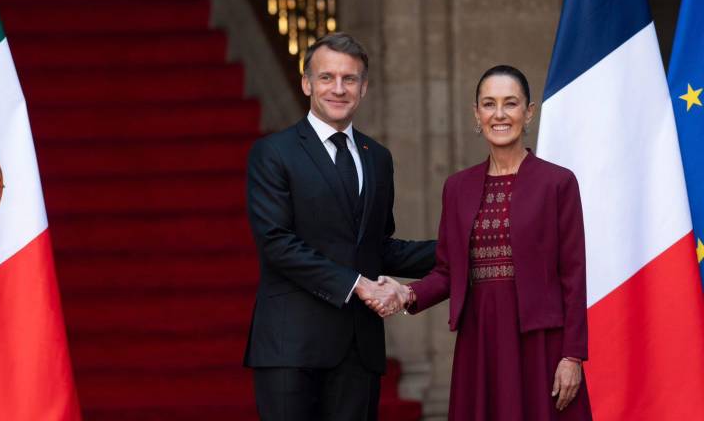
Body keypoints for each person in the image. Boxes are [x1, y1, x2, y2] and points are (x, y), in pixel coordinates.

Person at [369, 65, 592, 420]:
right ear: (477, 114)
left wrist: (572, 356)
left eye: (510, 104)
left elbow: (574, 276)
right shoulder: (457, 187)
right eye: (489, 104)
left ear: (528, 112)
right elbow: (446, 271)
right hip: (481, 342)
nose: (499, 114)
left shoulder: (559, 183)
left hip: (541, 346)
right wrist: (407, 294)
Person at [244, 32, 436, 421]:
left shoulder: (377, 158)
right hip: (291, 347)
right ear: (306, 83)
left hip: (358, 350)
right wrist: (359, 284)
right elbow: (278, 244)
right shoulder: (273, 153)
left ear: (363, 88)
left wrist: (466, 245)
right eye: (327, 77)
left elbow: (377, 248)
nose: (338, 88)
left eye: (349, 79)